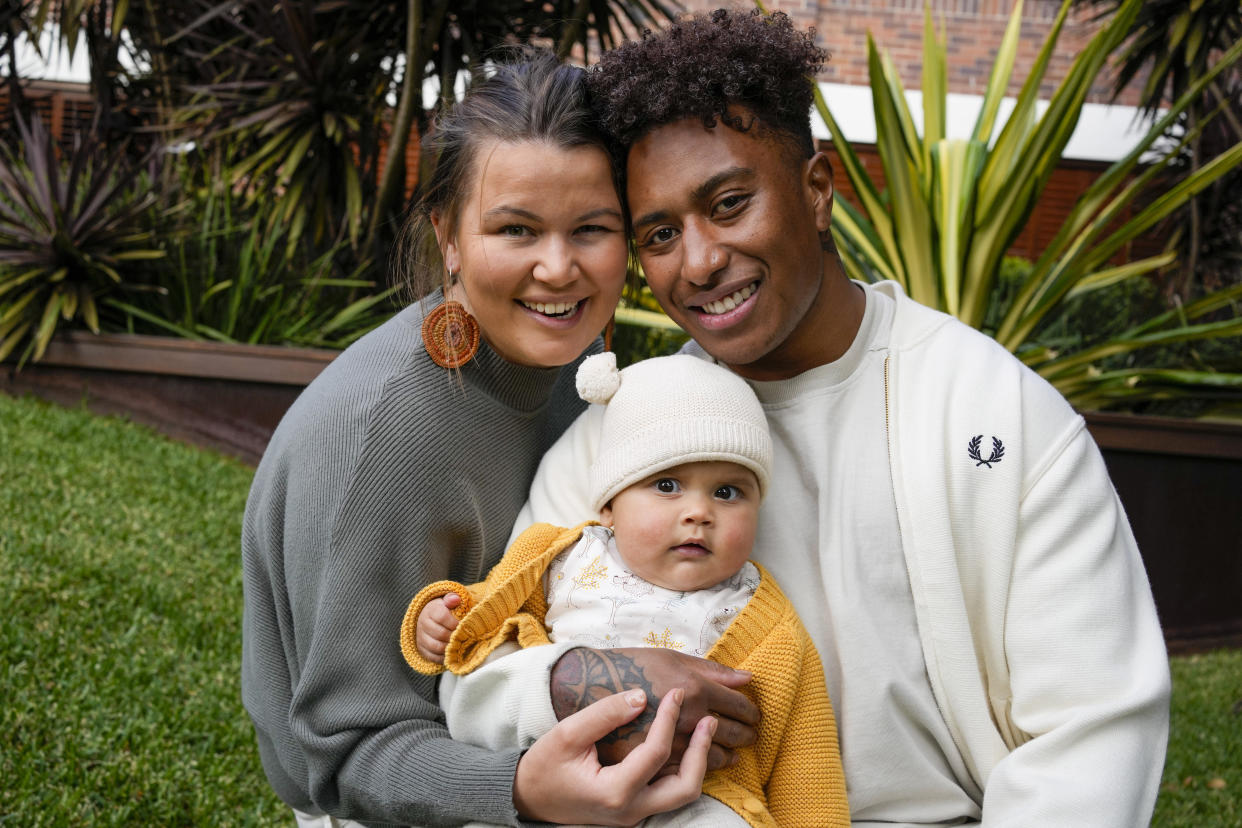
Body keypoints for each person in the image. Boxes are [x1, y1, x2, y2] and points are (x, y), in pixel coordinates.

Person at [445, 9, 1172, 826]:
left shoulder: (995, 415)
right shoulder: (631, 426)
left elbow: (1090, 734)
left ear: (817, 190)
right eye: (659, 232)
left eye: (728, 203)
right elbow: (480, 668)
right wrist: (577, 677)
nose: (700, 260)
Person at [240, 50, 725, 828]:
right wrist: (523, 791)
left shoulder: (575, 356)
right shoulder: (382, 437)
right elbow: (344, 751)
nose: (559, 269)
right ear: (450, 236)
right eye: (516, 230)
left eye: (592, 229)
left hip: (529, 725)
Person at [402, 352, 850, 828]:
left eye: (727, 492)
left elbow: (806, 758)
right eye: (668, 484)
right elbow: (489, 621)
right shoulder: (558, 557)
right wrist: (445, 616)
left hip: (695, 795)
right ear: (610, 506)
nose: (699, 512)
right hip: (561, 776)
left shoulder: (762, 619)